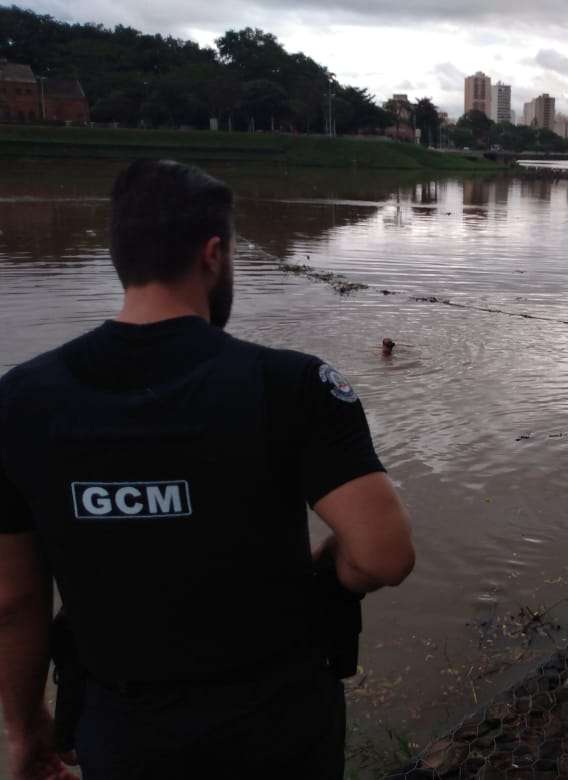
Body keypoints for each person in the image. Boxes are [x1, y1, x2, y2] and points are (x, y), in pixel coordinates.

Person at [0, 160, 415, 780]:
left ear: (120, 256)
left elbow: (13, 601)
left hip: (124, 730)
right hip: (280, 721)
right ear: (214, 254)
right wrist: (328, 573)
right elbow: (384, 555)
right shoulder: (294, 384)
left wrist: (24, 725)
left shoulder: (18, 402)